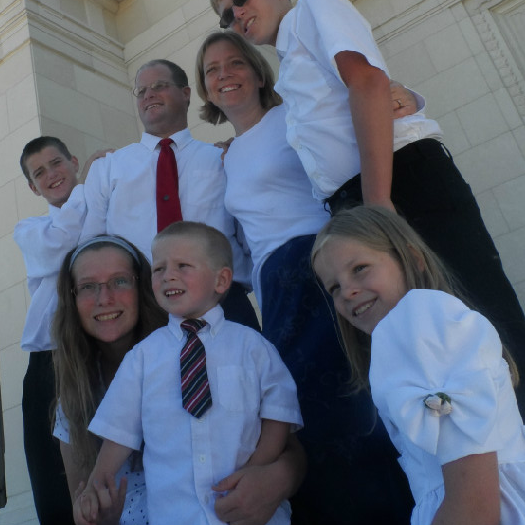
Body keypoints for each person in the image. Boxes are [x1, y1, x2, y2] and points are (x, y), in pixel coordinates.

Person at [211, 0, 525, 411]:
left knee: (479, 315)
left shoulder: (314, 9)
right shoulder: (289, 63)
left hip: (398, 187)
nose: (237, 14)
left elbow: (368, 83)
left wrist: (378, 205)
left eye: (239, 0)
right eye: (224, 14)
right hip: (361, 202)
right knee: (424, 346)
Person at [195, 31, 414, 524]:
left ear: (256, 71)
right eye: (212, 70)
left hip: (318, 261)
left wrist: (406, 96)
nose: (224, 74)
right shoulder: (223, 158)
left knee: (354, 402)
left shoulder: (289, 114)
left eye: (234, 63)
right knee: (304, 412)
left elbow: (367, 105)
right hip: (275, 289)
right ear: (205, 90)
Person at [74, 221, 303, 525]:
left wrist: (255, 471)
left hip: (252, 515)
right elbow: (119, 431)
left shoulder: (253, 347)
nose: (169, 275)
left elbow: (278, 415)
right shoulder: (142, 358)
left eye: (183, 265)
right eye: (159, 269)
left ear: (221, 280)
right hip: (175, 515)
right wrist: (97, 483)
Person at [311, 206, 525, 525]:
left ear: (411, 258)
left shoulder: (420, 330)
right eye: (334, 288)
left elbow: (475, 507)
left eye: (359, 268)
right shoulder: (419, 332)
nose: (348, 292)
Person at [80, 59, 258, 330]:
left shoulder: (223, 159)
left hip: (222, 301)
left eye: (159, 86)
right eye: (141, 91)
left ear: (185, 94)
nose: (148, 94)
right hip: (144, 308)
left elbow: (251, 237)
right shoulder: (107, 168)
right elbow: (91, 247)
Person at [14, 137, 111, 524]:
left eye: (56, 163)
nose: (51, 175)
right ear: (32, 188)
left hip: (98, 353)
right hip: (49, 363)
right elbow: (64, 243)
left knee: (103, 469)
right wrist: (87, 183)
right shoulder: (31, 229)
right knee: (52, 478)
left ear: (71, 161)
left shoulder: (100, 208)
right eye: (39, 173)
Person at [53, 234, 168, 525]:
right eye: (89, 286)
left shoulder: (185, 360)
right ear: (73, 299)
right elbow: (84, 512)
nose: (105, 299)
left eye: (119, 281)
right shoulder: (72, 401)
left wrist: (277, 476)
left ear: (142, 287)